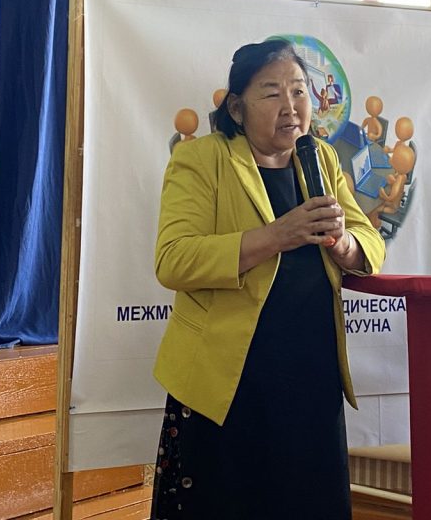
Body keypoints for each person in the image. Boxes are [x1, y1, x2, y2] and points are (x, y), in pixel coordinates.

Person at [151, 38, 385, 520]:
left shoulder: (319, 158)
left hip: (311, 375)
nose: (291, 106)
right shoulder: (202, 159)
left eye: (299, 91)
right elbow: (174, 259)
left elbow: (368, 240)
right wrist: (278, 234)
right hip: (229, 383)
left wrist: (343, 243)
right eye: (272, 93)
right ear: (237, 108)